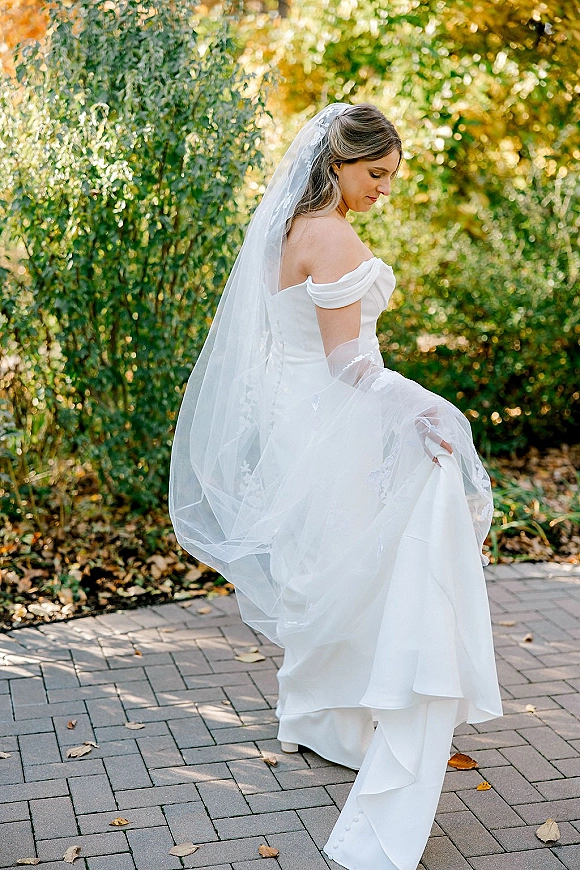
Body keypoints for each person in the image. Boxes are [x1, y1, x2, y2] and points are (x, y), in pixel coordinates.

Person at [170, 103, 502, 870]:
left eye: (391, 175)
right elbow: (349, 364)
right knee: (355, 566)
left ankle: (317, 716)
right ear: (338, 163)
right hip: (333, 418)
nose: (384, 188)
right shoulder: (333, 235)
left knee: (322, 562)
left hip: (297, 421)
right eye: (375, 173)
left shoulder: (288, 229)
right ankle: (345, 723)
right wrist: (428, 407)